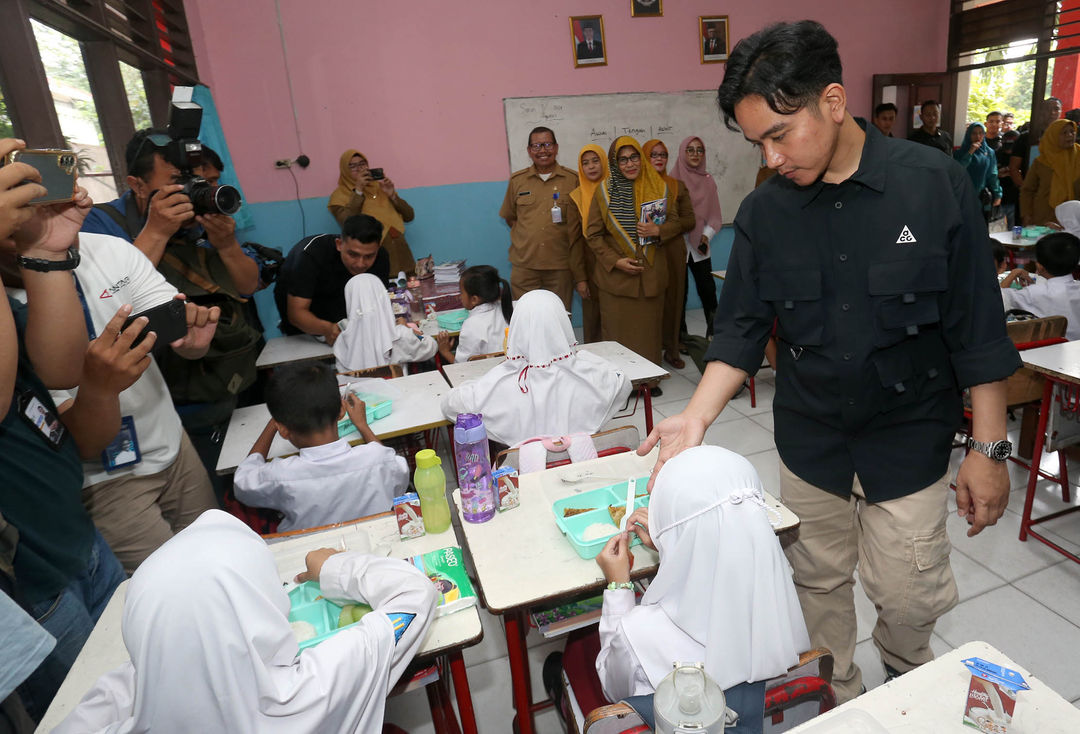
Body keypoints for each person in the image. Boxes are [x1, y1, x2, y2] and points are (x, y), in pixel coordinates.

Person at [640, 21, 1020, 703]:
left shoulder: (932, 184)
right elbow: (741, 330)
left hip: (907, 439)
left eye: (780, 134)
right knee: (817, 585)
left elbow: (977, 326)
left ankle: (908, 674)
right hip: (811, 442)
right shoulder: (765, 213)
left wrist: (989, 448)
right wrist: (693, 421)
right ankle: (838, 697)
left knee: (909, 595)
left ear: (834, 102)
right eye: (757, 141)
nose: (772, 155)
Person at [52, 510, 438, 734]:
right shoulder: (310, 689)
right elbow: (415, 595)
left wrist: (169, 647)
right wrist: (334, 567)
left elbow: (114, 695)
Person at [8, 231, 221, 574]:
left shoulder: (107, 249)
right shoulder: (11, 310)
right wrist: (100, 388)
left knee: (223, 560)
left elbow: (183, 332)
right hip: (106, 482)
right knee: (175, 591)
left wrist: (193, 341)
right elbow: (85, 444)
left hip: (173, 445)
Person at [0, 143, 126, 719]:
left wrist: (46, 252)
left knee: (142, 681)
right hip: (29, 583)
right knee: (96, 717)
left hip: (74, 536)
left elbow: (59, 370)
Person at [80, 129, 263, 498]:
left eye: (205, 181)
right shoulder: (99, 226)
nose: (197, 190)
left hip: (220, 381)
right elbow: (104, 304)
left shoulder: (202, 220)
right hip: (149, 408)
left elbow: (247, 285)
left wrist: (226, 244)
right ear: (137, 184)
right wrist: (158, 231)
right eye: (180, 182)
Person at [594, 446, 809, 711]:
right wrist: (671, 547)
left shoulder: (639, 633)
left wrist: (618, 588)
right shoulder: (779, 598)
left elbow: (611, 687)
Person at [440, 289, 631, 446]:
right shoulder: (588, 374)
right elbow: (622, 382)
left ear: (517, 327)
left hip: (526, 478)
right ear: (563, 324)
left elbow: (450, 405)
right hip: (586, 468)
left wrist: (481, 381)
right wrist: (582, 358)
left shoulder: (502, 382)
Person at [233, 363, 408, 532]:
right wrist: (363, 426)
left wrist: (273, 424)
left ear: (283, 429)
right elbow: (397, 473)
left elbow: (242, 481)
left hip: (311, 556)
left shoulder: (280, 475)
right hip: (377, 548)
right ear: (341, 410)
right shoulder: (377, 458)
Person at [585, 136, 672, 375]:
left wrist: (660, 230)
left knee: (648, 334)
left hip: (650, 276)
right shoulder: (603, 192)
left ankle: (649, 380)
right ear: (614, 163)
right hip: (617, 280)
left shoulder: (659, 187)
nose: (630, 164)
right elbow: (592, 234)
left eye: (634, 157)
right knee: (617, 336)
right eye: (622, 160)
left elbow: (677, 222)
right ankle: (621, 383)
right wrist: (615, 261)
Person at [274, 214, 391, 342]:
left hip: (342, 322)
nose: (360, 264)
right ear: (339, 244)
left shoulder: (381, 257)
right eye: (353, 254)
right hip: (303, 328)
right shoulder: (310, 256)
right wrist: (328, 329)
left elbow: (378, 305)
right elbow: (296, 314)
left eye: (369, 256)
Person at [500, 127, 581, 310]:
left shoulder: (572, 179)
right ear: (529, 151)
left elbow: (578, 223)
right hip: (525, 265)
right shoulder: (517, 180)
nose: (542, 150)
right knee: (525, 317)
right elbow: (511, 218)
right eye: (536, 146)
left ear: (556, 147)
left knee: (560, 316)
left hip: (560, 265)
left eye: (547, 144)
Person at [643, 139, 696, 369]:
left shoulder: (677, 185)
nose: (659, 158)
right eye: (653, 154)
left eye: (663, 154)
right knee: (649, 301)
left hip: (673, 249)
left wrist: (662, 230)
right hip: (646, 251)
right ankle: (649, 351)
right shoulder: (636, 186)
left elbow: (689, 220)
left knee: (674, 300)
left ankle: (672, 349)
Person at [327, 150, 416, 277]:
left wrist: (392, 195)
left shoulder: (379, 187)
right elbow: (348, 222)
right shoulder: (339, 196)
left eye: (362, 164)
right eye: (353, 166)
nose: (359, 169)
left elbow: (409, 216)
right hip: (372, 257)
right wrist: (358, 190)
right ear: (345, 170)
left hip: (400, 253)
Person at [671, 136, 723, 339]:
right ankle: (680, 337)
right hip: (677, 245)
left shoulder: (708, 181)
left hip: (700, 245)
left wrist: (706, 235)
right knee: (679, 294)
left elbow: (715, 215)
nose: (695, 154)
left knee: (708, 291)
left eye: (699, 150)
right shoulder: (672, 180)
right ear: (683, 153)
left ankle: (716, 334)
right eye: (690, 150)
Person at [333, 273, 437, 372]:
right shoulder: (399, 334)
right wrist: (409, 329)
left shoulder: (342, 341)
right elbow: (430, 345)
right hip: (396, 388)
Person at [999, 231, 1080, 339]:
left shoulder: (1032, 294)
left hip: (1050, 349)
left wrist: (1014, 273)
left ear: (1040, 266)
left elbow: (998, 298)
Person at [567, 144, 607, 343]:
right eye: (585, 163)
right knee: (593, 320)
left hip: (617, 266)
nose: (591, 167)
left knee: (615, 319)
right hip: (591, 266)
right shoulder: (575, 198)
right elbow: (574, 242)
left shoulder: (615, 190)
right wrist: (580, 279)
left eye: (595, 160)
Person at [436, 265, 513, 364]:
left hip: (486, 374)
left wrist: (445, 351)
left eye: (461, 292)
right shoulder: (509, 308)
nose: (460, 297)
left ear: (474, 299)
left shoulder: (471, 325)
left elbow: (463, 367)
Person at [1010, 97, 1064, 218]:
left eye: (1056, 109)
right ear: (1040, 112)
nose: (1052, 113)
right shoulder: (1027, 137)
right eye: (1048, 109)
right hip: (1031, 195)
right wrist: (1026, 188)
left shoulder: (1065, 138)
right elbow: (1013, 167)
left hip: (1057, 197)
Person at [1020, 118, 1080, 227]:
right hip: (1043, 218)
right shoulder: (1041, 162)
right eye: (1064, 133)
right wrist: (1026, 215)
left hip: (1075, 220)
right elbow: (1027, 190)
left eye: (1072, 131)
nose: (1070, 135)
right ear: (1053, 136)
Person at [954, 122, 1002, 222]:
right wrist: (970, 152)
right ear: (968, 135)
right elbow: (958, 171)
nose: (978, 136)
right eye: (974, 133)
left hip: (981, 197)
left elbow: (992, 174)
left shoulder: (989, 152)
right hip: (962, 196)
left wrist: (998, 194)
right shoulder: (960, 152)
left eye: (981, 133)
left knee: (980, 226)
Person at [997, 129, 1021, 228]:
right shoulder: (996, 154)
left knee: (1014, 231)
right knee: (998, 231)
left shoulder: (1022, 155)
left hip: (1016, 199)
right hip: (999, 199)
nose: (1009, 148)